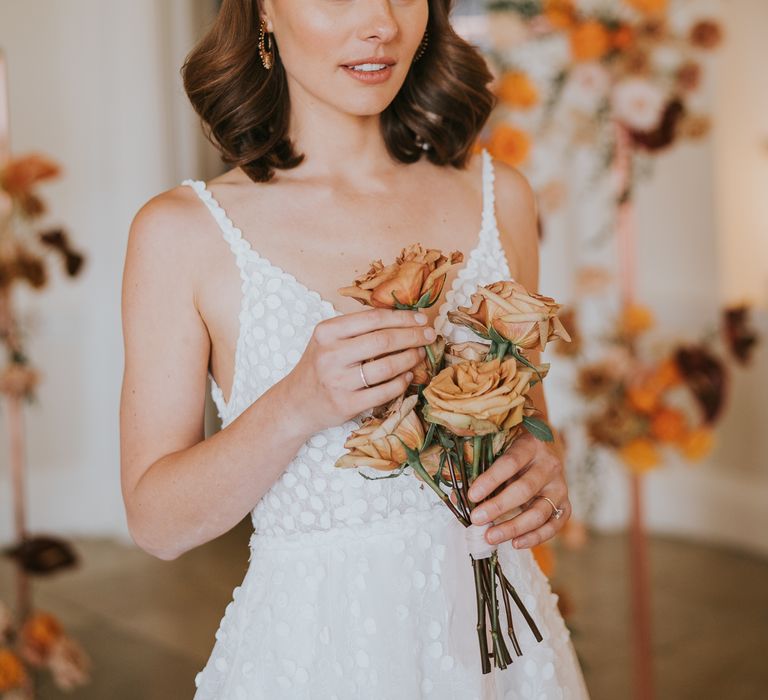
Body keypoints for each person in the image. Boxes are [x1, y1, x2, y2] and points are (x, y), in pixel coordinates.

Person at [119, 0, 590, 697]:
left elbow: (533, 428)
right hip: (315, 655)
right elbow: (156, 523)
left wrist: (544, 472)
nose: (381, 23)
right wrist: (296, 405)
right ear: (263, 13)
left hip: (502, 658)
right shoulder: (183, 233)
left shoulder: (502, 199)